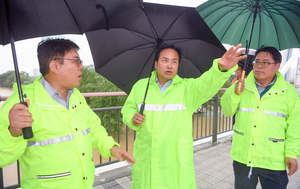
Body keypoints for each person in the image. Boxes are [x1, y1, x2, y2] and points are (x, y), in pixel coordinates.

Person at [0, 38, 135, 189]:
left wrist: (112, 147)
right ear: (55, 66)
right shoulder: (21, 102)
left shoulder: (76, 96)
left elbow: (93, 128)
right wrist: (13, 132)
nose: (81, 66)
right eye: (76, 61)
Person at [121, 44, 247, 189]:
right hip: (146, 160)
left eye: (174, 62)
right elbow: (127, 109)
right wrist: (132, 117)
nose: (170, 65)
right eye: (165, 60)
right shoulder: (141, 87)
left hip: (174, 164)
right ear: (156, 64)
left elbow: (206, 84)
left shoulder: (187, 89)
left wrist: (220, 70)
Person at [221, 46, 300, 189]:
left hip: (273, 160)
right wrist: (236, 94)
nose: (259, 66)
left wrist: (291, 154)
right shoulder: (240, 85)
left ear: (277, 66)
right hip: (244, 157)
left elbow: (294, 127)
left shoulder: (289, 93)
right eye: (257, 62)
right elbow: (226, 111)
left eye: (265, 63)